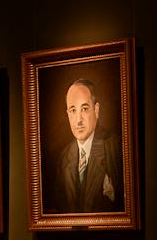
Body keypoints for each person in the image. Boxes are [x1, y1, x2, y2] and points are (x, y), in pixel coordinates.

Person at [43, 77, 121, 214]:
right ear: (68, 114)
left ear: (96, 110)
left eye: (84, 109)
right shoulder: (64, 157)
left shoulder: (115, 147)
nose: (78, 120)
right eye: (73, 111)